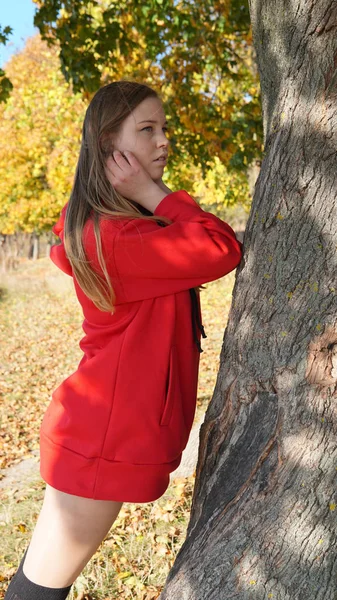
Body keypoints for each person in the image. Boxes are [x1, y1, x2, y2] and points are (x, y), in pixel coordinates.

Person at [4, 80, 243, 600]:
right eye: (147, 130)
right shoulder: (117, 237)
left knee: (41, 577)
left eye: (165, 129)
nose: (163, 142)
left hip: (99, 430)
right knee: (37, 591)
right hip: (102, 440)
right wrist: (153, 194)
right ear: (110, 147)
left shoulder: (120, 228)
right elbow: (221, 247)